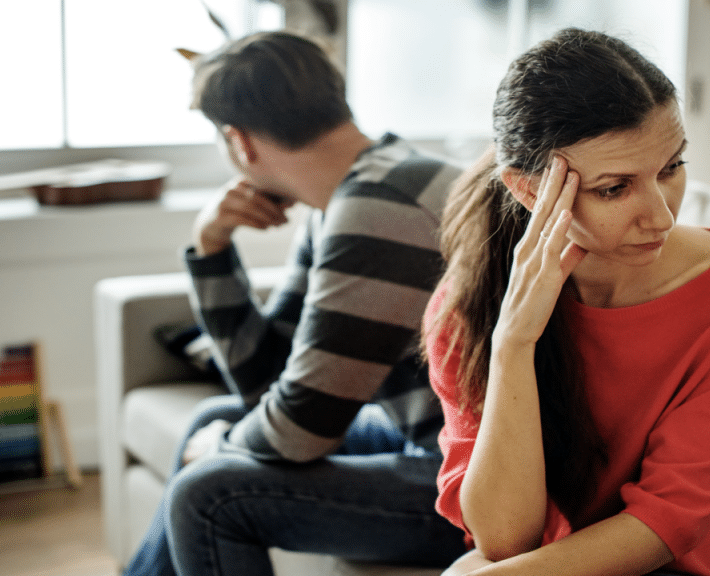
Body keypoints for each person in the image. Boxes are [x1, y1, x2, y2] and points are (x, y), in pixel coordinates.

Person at [422, 28, 710, 576]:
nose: (661, 216)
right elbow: (504, 539)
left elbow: (668, 522)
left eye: (671, 168)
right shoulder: (469, 303)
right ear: (529, 190)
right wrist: (514, 343)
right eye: (615, 188)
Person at [123, 31, 467, 576]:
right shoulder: (371, 182)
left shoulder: (378, 210)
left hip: (481, 485)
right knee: (215, 416)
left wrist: (224, 448)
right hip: (445, 443)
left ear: (240, 142)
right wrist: (211, 247)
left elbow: (301, 431)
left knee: (208, 494)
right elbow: (268, 382)